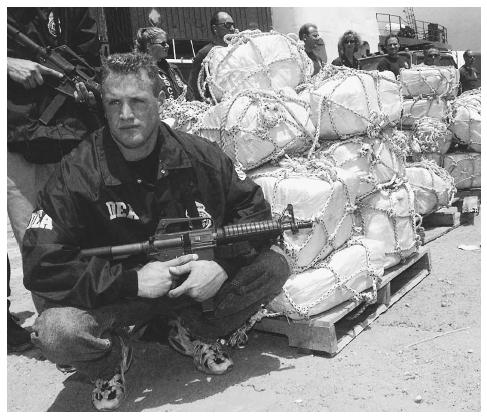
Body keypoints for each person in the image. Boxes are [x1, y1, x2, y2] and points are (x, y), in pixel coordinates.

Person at [22, 52, 290, 411]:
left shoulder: (199, 156)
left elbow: (253, 210)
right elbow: (43, 263)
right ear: (103, 106)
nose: (126, 115)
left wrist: (222, 264)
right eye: (114, 102)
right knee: (56, 331)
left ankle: (192, 331)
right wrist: (131, 282)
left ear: (160, 102)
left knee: (273, 266)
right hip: (114, 297)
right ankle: (110, 360)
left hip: (187, 290)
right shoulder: (77, 174)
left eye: (138, 101)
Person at [7, 7, 102, 350]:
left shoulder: (75, 10)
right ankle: (58, 337)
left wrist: (91, 89)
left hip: (69, 133)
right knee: (35, 239)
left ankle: (92, 323)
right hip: (18, 138)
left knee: (84, 234)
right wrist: (6, 63)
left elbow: (89, 57)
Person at [134, 26, 194, 101]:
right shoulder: (139, 71)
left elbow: (189, 94)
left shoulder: (172, 68)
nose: (167, 46)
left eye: (167, 43)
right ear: (148, 45)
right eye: (163, 43)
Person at [188, 11, 236, 101]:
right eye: (228, 25)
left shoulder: (236, 51)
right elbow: (194, 86)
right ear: (215, 28)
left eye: (233, 25)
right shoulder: (205, 53)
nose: (232, 28)